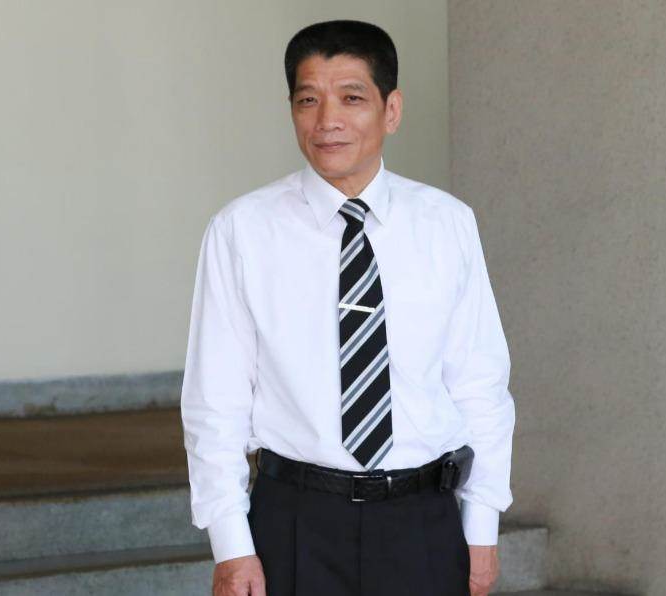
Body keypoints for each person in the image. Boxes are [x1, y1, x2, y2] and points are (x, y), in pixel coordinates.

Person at [180, 19, 515, 596]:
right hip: (295, 522)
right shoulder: (242, 231)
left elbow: (479, 383)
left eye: (351, 98)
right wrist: (231, 544)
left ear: (391, 110)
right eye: (308, 100)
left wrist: (481, 524)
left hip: (422, 520)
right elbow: (215, 400)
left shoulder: (446, 224)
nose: (326, 120)